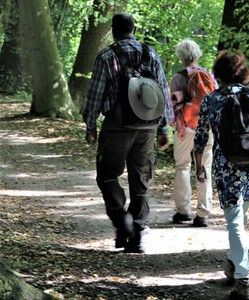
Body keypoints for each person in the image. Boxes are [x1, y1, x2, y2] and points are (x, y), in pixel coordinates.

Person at [82, 13, 173, 253]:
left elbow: (95, 94)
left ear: (113, 30)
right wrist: (164, 127)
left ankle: (122, 221)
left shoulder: (107, 56)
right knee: (140, 178)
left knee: (107, 175)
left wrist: (90, 125)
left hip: (117, 126)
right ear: (135, 29)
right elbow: (162, 91)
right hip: (147, 127)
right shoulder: (150, 54)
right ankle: (138, 234)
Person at [194, 50, 249, 300]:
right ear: (243, 72)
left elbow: (200, 139)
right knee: (240, 217)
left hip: (227, 164)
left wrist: (199, 166)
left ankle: (243, 278)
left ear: (218, 73)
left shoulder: (212, 99)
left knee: (234, 220)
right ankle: (232, 264)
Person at [169, 39, 218, 227]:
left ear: (180, 57)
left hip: (185, 128)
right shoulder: (209, 75)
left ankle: (183, 211)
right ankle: (203, 214)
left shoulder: (178, 78)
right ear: (197, 54)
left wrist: (172, 125)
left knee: (183, 166)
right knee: (204, 165)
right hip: (206, 128)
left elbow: (172, 107)